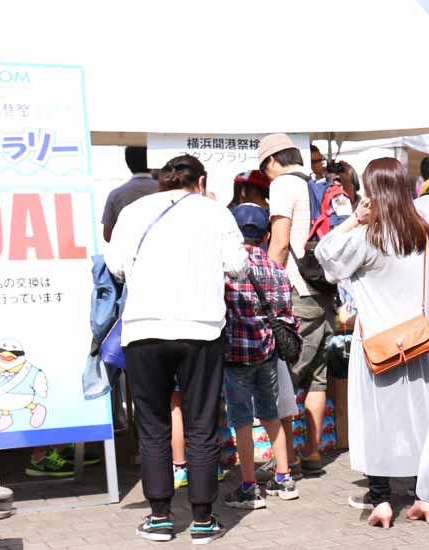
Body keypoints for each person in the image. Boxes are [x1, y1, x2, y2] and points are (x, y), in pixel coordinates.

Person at [106, 154, 246, 544]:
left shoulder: (134, 211)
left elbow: (115, 266)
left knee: (152, 426)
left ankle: (160, 517)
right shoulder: (215, 212)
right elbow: (237, 266)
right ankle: (203, 520)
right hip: (200, 329)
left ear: (161, 181)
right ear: (200, 181)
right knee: (202, 423)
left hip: (144, 329)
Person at [315, 158, 429, 527]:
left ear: (373, 192)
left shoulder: (366, 237)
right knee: (422, 417)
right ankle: (425, 497)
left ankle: (381, 502)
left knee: (376, 419)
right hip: (419, 344)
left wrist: (353, 220)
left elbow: (323, 253)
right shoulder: (425, 234)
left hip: (375, 344)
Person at [257, 133, 331, 477]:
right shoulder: (318, 182)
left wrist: (265, 287)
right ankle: (312, 452)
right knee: (317, 378)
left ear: (272, 161)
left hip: (296, 293)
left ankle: (289, 459)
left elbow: (281, 242)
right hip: (324, 291)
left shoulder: (284, 185)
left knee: (286, 379)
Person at [220, 205, 299, 511]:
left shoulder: (226, 269)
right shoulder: (278, 271)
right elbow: (286, 314)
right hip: (268, 353)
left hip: (236, 354)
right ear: (267, 235)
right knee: (271, 414)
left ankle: (250, 487)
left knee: (241, 419)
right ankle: (284, 477)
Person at [102, 145, 159, 242]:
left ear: (128, 163)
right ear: (151, 160)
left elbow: (108, 236)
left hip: (129, 253)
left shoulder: (116, 195)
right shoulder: (166, 190)